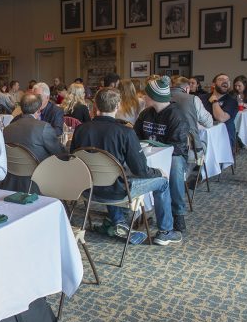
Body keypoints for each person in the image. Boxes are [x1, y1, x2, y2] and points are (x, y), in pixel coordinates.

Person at [70, 89, 180, 245]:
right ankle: (165, 232)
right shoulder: (125, 132)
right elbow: (140, 170)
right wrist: (158, 172)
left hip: (87, 189)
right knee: (162, 181)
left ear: (95, 106)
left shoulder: (80, 130)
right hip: (117, 192)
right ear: (117, 107)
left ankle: (118, 221)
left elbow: (74, 159)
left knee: (112, 175)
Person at [134, 76, 190, 234]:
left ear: (154, 97)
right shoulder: (146, 114)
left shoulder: (176, 116)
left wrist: (155, 146)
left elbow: (178, 146)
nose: (143, 97)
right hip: (149, 154)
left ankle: (178, 212)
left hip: (172, 156)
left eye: (146, 94)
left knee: (176, 166)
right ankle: (134, 212)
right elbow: (135, 136)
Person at [2, 94, 65, 192]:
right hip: (38, 181)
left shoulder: (7, 129)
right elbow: (60, 154)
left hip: (11, 181)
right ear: (39, 109)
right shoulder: (44, 128)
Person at [200, 74, 238, 151]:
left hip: (223, 138)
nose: (225, 81)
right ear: (213, 84)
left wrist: (214, 101)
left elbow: (221, 118)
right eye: (221, 79)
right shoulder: (202, 98)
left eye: (227, 80)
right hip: (203, 135)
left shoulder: (232, 101)